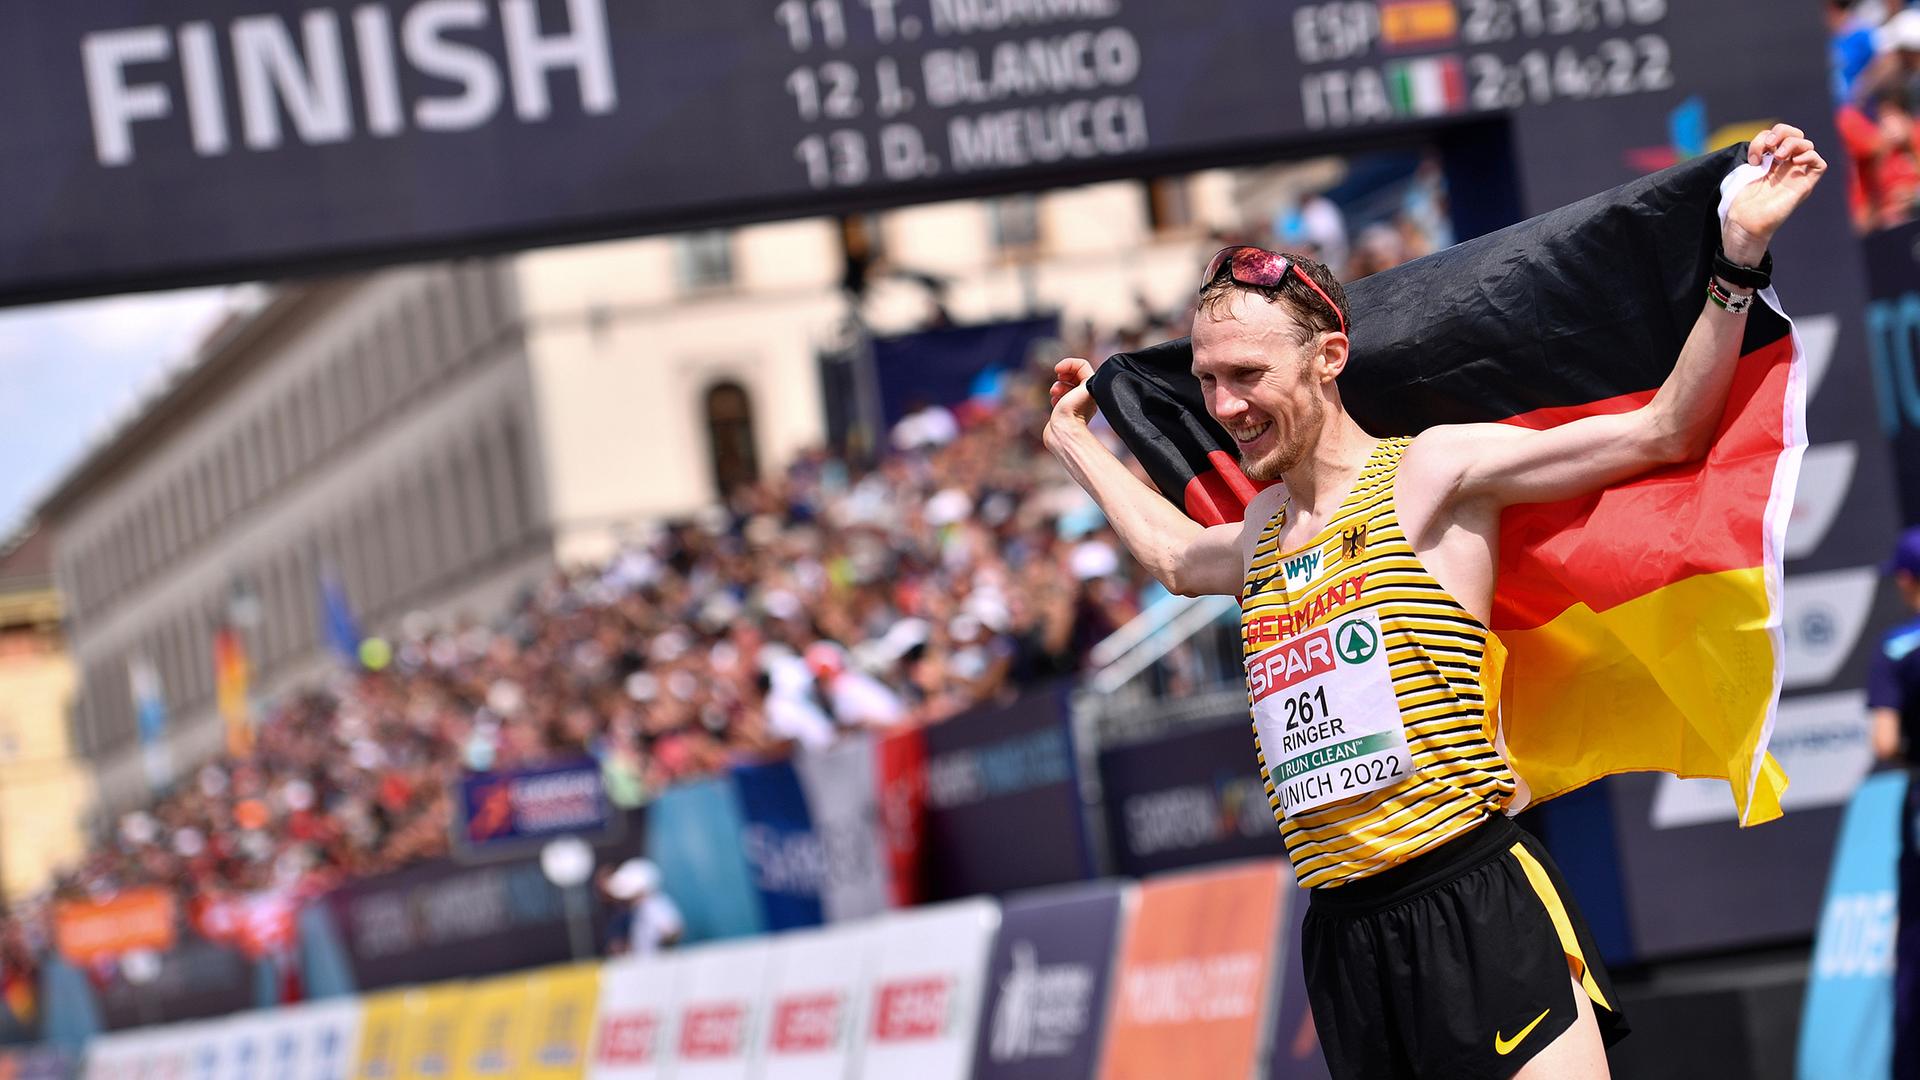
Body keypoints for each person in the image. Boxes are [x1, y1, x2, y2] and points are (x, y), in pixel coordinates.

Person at [1042, 125, 1825, 1079]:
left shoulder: (1433, 471)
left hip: (1472, 895)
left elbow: (1664, 431)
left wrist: (1736, 254)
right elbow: (1169, 555)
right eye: (1206, 379)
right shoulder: (1258, 535)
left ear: (1329, 357)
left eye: (1247, 375)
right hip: (1344, 935)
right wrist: (1077, 444)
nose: (1223, 405)